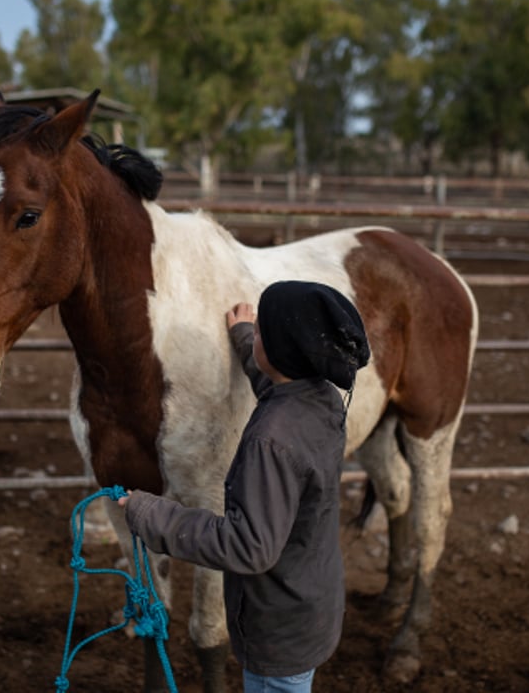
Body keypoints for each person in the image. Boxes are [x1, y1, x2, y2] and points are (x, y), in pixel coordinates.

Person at [118, 280, 370, 693]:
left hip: (277, 628)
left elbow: (248, 546)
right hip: (309, 601)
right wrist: (245, 337)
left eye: (263, 336)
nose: (258, 339)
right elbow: (277, 384)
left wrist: (151, 514)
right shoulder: (320, 398)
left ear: (278, 351)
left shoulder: (269, 441)